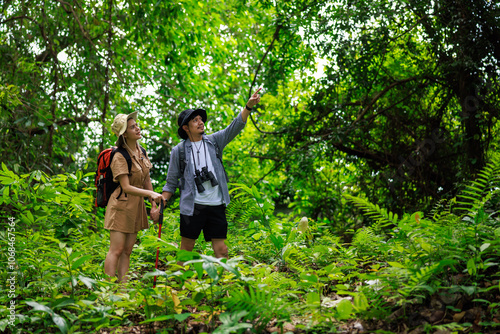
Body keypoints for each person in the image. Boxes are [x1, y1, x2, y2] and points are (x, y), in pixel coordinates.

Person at [162, 88, 262, 259]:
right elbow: (171, 182)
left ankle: (221, 284)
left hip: (216, 204)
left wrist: (248, 106)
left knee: (222, 250)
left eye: (201, 119)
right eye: (195, 120)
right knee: (186, 250)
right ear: (186, 127)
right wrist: (161, 204)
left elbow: (234, 127)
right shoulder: (178, 151)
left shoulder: (214, 142)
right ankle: (180, 284)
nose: (200, 122)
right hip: (192, 206)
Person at [104, 111, 164, 283]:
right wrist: (150, 194)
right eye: (132, 127)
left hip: (136, 206)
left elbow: (146, 180)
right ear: (124, 134)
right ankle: (107, 291)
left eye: (136, 125)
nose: (137, 128)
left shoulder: (141, 151)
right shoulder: (119, 156)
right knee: (116, 249)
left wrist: (153, 204)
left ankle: (122, 291)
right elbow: (126, 186)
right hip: (121, 205)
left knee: (127, 251)